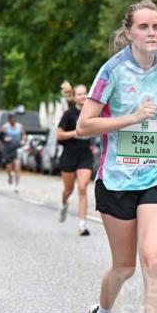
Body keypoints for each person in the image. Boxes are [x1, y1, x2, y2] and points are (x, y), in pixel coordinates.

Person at [75, 0, 157, 313]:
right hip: (117, 180)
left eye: (156, 26)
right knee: (124, 267)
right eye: (144, 27)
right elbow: (86, 125)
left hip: (156, 175)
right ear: (129, 32)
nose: (152, 33)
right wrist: (131, 119)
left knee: (153, 260)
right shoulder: (112, 70)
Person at [57, 83, 94, 236]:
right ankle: (64, 203)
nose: (83, 96)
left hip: (85, 154)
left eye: (85, 93)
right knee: (68, 190)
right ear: (74, 97)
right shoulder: (68, 114)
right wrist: (75, 133)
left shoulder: (92, 113)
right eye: (79, 94)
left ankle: (82, 225)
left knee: (82, 187)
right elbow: (59, 135)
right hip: (69, 155)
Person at [0, 113, 24, 192]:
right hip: (8, 149)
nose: (13, 121)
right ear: (9, 119)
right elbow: (0, 136)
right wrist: (5, 139)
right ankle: (10, 175)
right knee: (9, 167)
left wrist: (23, 140)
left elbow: (24, 135)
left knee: (17, 167)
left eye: (14, 119)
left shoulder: (20, 126)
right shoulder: (5, 127)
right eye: (11, 119)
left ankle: (17, 186)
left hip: (17, 148)